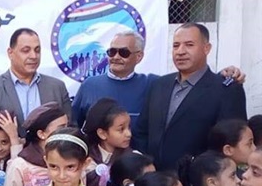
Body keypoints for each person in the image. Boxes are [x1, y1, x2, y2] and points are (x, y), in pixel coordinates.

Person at [72, 30, 247, 129]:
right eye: (112, 52)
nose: (116, 57)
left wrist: (225, 74)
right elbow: (75, 124)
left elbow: (197, 86)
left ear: (139, 56)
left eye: (123, 52)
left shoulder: (154, 84)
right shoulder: (89, 85)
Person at [134, 23, 247, 170]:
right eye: (176, 45)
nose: (180, 51)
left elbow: (231, 142)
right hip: (154, 178)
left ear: (206, 48)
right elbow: (142, 132)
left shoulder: (226, 90)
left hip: (198, 179)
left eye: (189, 45)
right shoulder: (159, 84)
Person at [0, 28, 72, 149]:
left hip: (51, 159)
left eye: (37, 50)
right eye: (26, 50)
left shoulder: (57, 87)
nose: (33, 56)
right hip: (7, 160)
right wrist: (10, 145)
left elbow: (71, 129)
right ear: (10, 53)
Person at [3, 102, 68, 186]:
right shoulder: (20, 165)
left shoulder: (72, 160)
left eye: (68, 127)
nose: (67, 132)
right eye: (61, 128)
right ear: (41, 134)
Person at [82, 98, 133, 186]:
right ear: (102, 134)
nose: (128, 134)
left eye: (129, 127)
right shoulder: (86, 160)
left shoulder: (134, 159)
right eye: (121, 129)